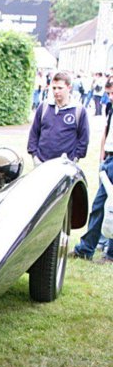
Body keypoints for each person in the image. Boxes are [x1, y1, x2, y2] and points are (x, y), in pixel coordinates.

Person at [72, 78, 113, 264]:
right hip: (109, 159)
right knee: (100, 205)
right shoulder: (110, 107)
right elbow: (107, 131)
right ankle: (88, 247)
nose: (110, 97)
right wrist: (102, 157)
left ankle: (107, 252)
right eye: (108, 93)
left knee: (108, 207)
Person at [27, 71, 90, 164]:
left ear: (69, 88)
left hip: (65, 164)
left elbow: (84, 137)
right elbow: (34, 132)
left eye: (60, 88)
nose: (56, 91)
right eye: (54, 88)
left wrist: (75, 158)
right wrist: (34, 156)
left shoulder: (78, 110)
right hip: (41, 161)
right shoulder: (44, 106)